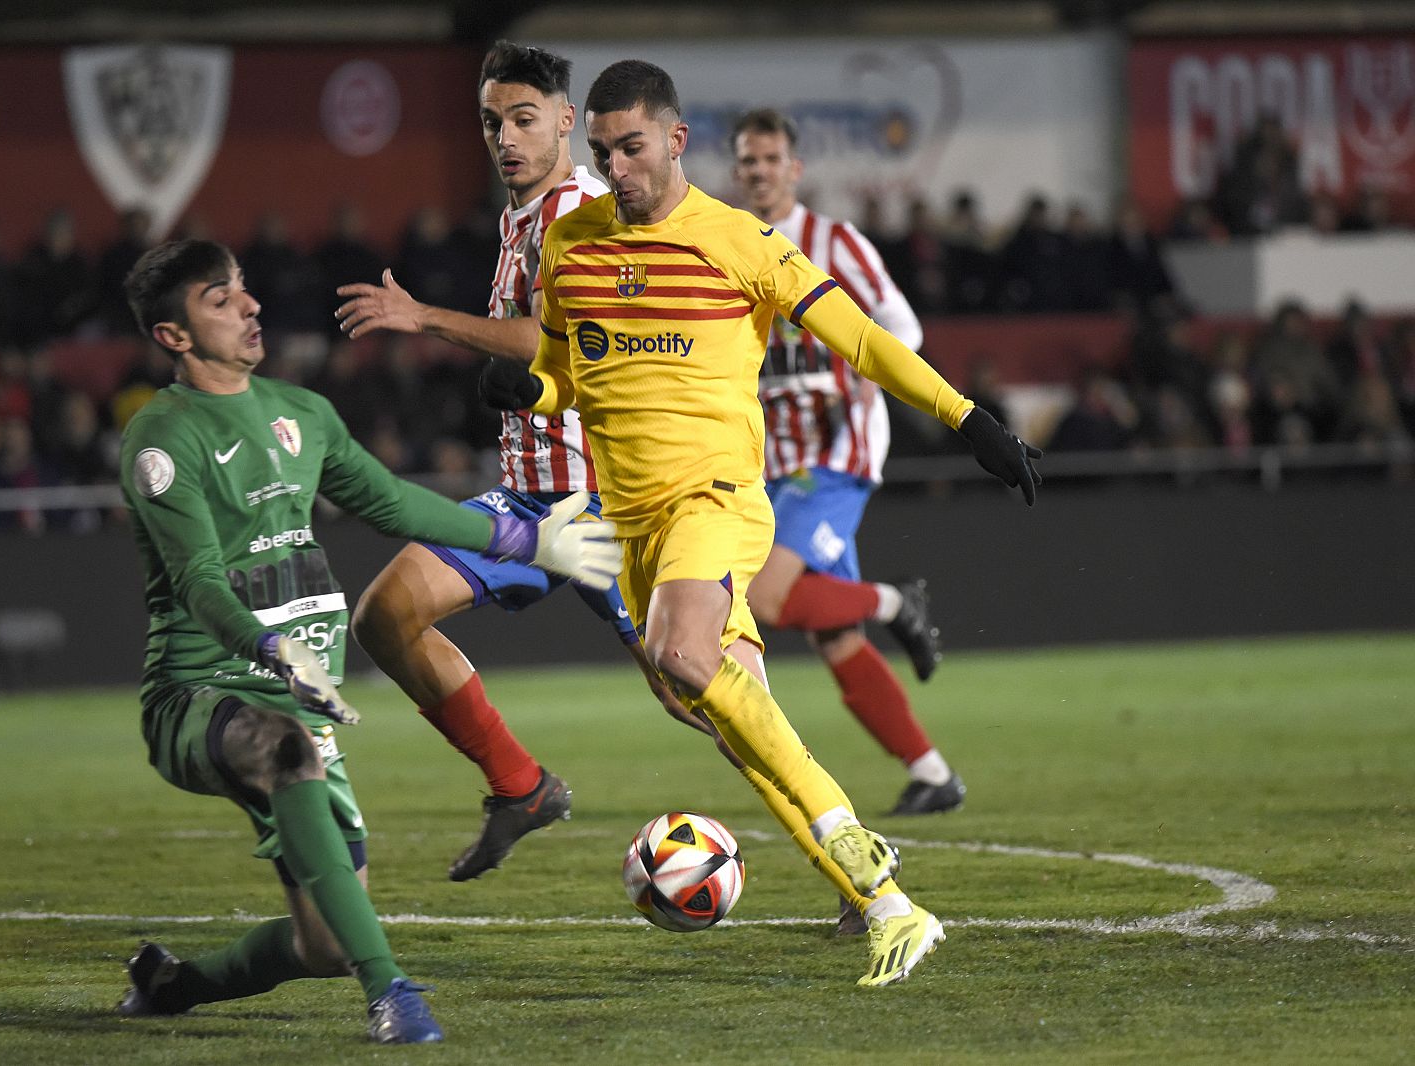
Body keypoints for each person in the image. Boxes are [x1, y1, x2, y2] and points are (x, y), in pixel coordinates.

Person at [481, 60, 1040, 988]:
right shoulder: (570, 244)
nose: (615, 167)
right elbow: (575, 368)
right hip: (636, 522)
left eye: (631, 147)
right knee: (724, 711)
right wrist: (531, 385)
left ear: (675, 141)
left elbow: (862, 338)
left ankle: (858, 852)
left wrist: (967, 419)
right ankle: (888, 906)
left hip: (721, 500)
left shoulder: (742, 242)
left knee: (682, 655)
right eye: (603, 151)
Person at [111, 238, 618, 1042]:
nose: (250, 307)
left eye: (244, 288)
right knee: (286, 750)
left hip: (299, 698)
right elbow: (201, 581)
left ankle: (176, 983)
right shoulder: (161, 440)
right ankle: (393, 994)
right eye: (220, 299)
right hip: (203, 692)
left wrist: (525, 544)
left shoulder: (301, 414)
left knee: (319, 941)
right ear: (173, 336)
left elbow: (393, 504)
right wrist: (269, 650)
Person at [335, 41, 702, 883]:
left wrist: (423, 317)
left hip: (604, 502)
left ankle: (846, 854)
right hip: (531, 501)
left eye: (524, 119)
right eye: (492, 120)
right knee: (386, 614)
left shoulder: (583, 213)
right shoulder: (516, 218)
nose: (504, 136)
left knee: (691, 691)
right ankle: (521, 787)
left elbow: (550, 340)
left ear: (568, 122)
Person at [729, 108, 966, 820]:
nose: (759, 171)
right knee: (834, 636)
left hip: (836, 452)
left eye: (771, 159)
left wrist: (869, 369)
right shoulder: (733, 247)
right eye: (748, 161)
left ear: (794, 169)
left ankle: (898, 600)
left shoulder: (834, 242)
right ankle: (933, 773)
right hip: (773, 462)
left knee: (764, 600)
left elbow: (902, 324)